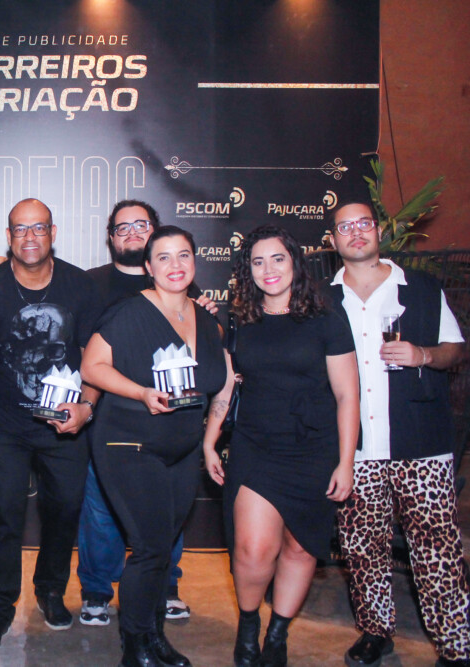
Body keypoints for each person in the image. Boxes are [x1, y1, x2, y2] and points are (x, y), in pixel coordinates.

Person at [0, 198, 102, 657]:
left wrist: (86, 408)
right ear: (8, 236)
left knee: (64, 510)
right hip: (4, 427)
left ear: (53, 232)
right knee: (3, 517)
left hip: (64, 424)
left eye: (39, 228)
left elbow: (95, 359)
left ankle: (50, 590)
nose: (30, 237)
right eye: (20, 229)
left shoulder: (81, 287)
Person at [202, 225, 359, 667]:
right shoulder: (239, 320)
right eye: (258, 261)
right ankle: (249, 624)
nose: (268, 269)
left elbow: (348, 394)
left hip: (314, 447)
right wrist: (210, 441)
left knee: (301, 546)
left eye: (277, 258)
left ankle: (278, 631)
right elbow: (226, 387)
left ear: (294, 262)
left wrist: (346, 461)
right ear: (247, 270)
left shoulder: (326, 318)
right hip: (256, 445)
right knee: (253, 549)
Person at [326, 202, 469, 667]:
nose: (356, 232)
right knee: (362, 548)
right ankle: (375, 632)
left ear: (378, 230)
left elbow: (455, 349)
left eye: (364, 223)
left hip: (421, 441)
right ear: (333, 240)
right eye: (345, 227)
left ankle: (455, 642)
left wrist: (423, 355)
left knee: (436, 548)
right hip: (355, 447)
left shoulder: (422, 287)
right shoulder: (322, 300)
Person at [81, 226, 227, 667]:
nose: (175, 265)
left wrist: (209, 444)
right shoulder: (129, 312)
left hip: (181, 451)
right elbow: (92, 367)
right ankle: (135, 645)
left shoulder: (207, 320)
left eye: (183, 255)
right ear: (148, 266)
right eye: (163, 257)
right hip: (128, 443)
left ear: (195, 262)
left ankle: (154, 634)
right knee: (149, 547)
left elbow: (222, 384)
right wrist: (141, 392)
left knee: (162, 548)